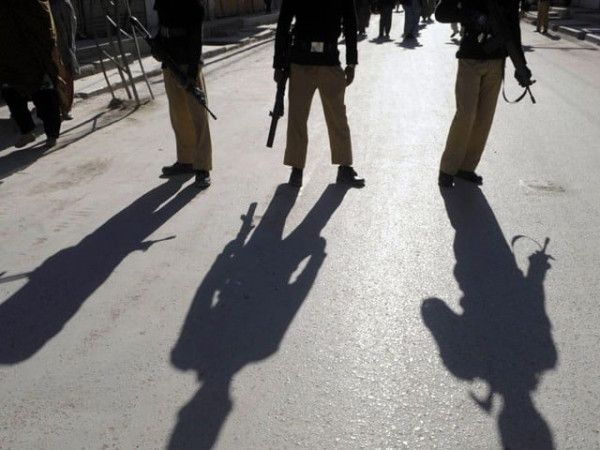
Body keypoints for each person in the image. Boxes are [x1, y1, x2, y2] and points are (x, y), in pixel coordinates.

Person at [435, 0, 532, 187]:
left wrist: (521, 65)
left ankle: (466, 167)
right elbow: (441, 13)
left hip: (496, 61)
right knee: (466, 114)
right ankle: (447, 168)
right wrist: (472, 16)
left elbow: (512, 28)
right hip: (470, 58)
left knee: (484, 117)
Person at [273, 0, 365, 188]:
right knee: (297, 118)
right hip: (301, 61)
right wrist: (278, 64)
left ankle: (344, 167)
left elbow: (350, 22)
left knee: (338, 117)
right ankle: (296, 169)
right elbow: (283, 23)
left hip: (329, 61)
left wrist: (351, 62)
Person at [154, 0, 213, 189]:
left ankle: (202, 167)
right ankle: (186, 160)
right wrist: (156, 46)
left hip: (189, 65)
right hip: (169, 63)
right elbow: (162, 28)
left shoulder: (194, 4)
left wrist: (192, 73)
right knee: (178, 116)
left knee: (198, 118)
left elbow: (196, 39)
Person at [0, 0, 63, 148]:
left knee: (45, 96)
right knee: (11, 94)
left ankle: (52, 135)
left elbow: (44, 20)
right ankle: (27, 131)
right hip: (9, 56)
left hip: (35, 54)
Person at [49, 0, 79, 120]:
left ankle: (65, 108)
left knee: (66, 77)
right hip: (50, 48)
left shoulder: (63, 4)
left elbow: (71, 25)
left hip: (63, 47)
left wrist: (69, 47)